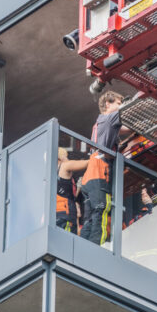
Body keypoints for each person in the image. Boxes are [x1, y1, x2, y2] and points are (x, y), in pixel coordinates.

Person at [58, 91, 128, 245]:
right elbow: (127, 116)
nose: (121, 106)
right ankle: (98, 249)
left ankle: (85, 248)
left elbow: (125, 130)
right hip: (99, 173)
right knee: (101, 211)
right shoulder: (110, 118)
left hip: (90, 178)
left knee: (90, 218)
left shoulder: (100, 123)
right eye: (118, 103)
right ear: (107, 104)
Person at [56, 147, 84, 234]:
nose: (68, 159)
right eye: (65, 156)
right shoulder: (63, 167)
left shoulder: (51, 177)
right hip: (65, 215)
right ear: (60, 158)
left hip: (59, 216)